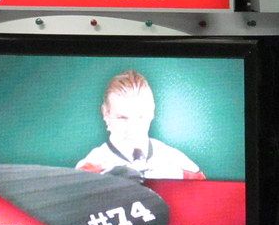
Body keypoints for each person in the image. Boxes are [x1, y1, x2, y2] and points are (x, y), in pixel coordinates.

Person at [75, 70, 204, 179]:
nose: (133, 128)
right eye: (122, 118)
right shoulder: (88, 172)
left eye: (140, 116)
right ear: (105, 113)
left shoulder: (180, 165)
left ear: (152, 112)